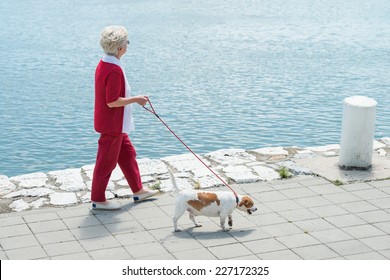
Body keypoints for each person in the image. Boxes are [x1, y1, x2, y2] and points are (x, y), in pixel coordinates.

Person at [91, 25, 158, 210]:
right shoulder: (113, 70)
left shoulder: (105, 62)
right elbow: (112, 102)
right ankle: (97, 199)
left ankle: (138, 190)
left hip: (115, 124)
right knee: (106, 163)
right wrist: (137, 99)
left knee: (128, 155)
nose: (127, 45)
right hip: (112, 124)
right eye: (126, 43)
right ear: (120, 48)